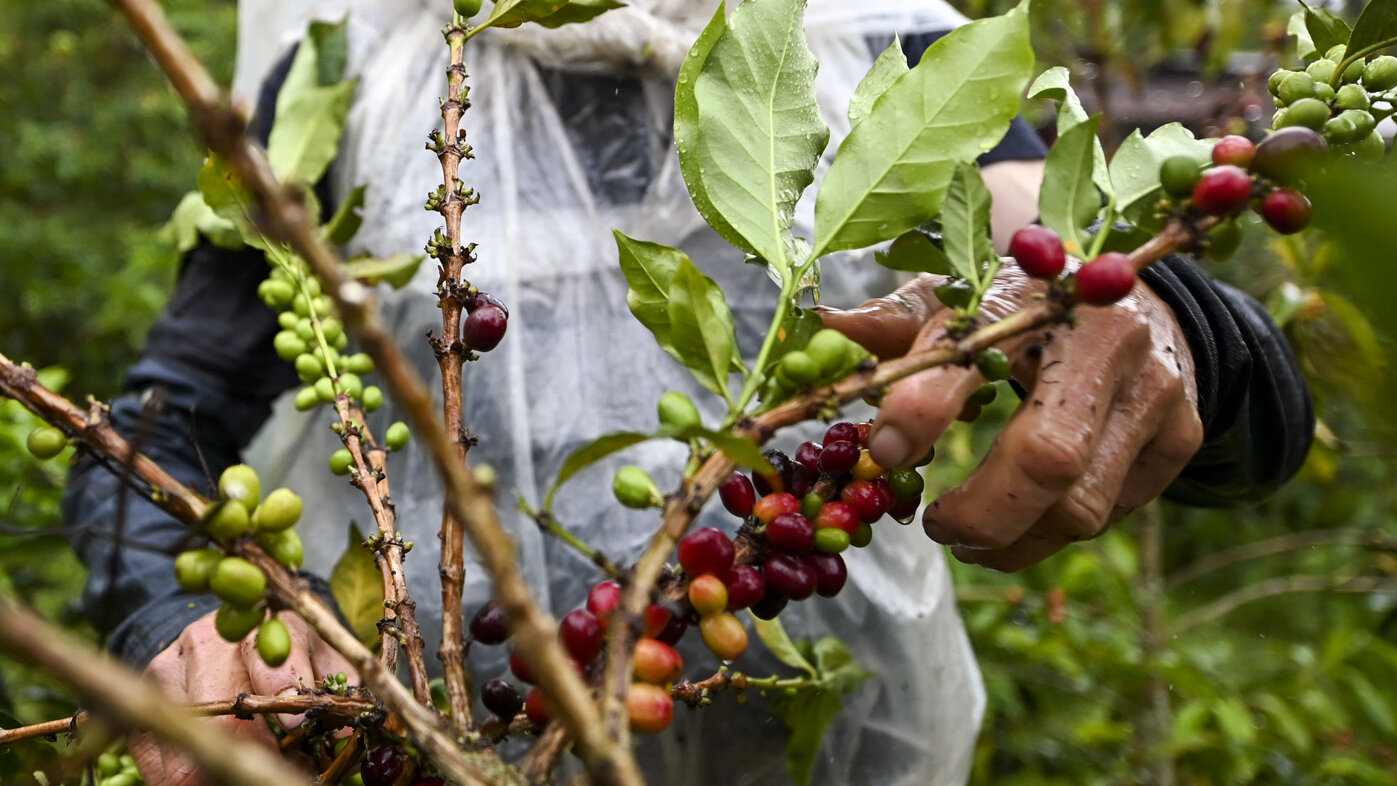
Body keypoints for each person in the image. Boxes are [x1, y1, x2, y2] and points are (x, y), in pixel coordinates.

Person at [64, 0, 1313, 784]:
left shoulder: (875, 44)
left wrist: (1170, 322)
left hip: (814, 737)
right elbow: (168, 415)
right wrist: (170, 631)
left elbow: (1084, 277)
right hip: (423, 720)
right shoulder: (353, 84)